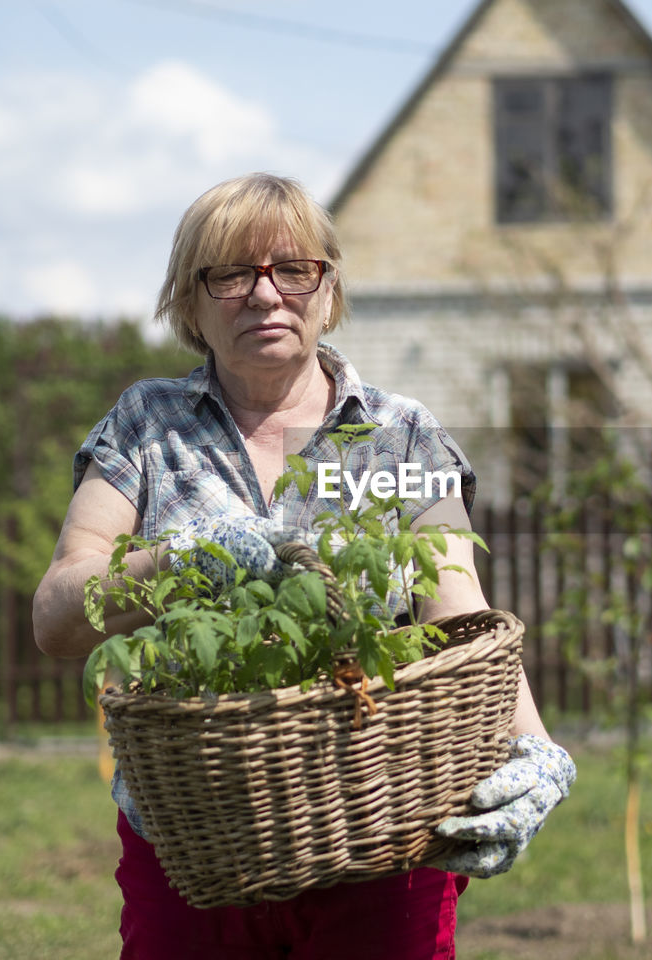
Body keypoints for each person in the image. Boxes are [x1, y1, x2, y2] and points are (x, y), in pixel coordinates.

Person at [32, 172, 576, 959]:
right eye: (231, 273)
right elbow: (57, 613)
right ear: (190, 301)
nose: (265, 294)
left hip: (386, 823)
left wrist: (539, 755)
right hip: (195, 836)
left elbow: (457, 613)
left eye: (294, 270)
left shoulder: (399, 436)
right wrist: (182, 560)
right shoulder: (148, 427)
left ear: (328, 291)